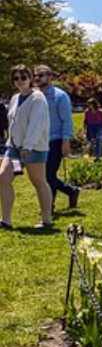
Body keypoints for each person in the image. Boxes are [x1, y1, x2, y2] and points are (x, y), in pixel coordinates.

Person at [1, 66, 53, 229]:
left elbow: (36, 125)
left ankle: (46, 219)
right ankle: (6, 220)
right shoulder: (15, 98)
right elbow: (13, 122)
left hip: (34, 147)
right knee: (2, 178)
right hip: (14, 147)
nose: (19, 81)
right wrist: (10, 143)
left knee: (38, 181)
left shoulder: (38, 98)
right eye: (16, 78)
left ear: (30, 78)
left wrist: (28, 146)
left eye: (23, 77)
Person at [33, 65, 79, 210]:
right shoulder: (34, 96)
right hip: (38, 141)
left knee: (48, 175)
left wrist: (66, 141)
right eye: (36, 75)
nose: (37, 78)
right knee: (43, 176)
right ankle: (71, 191)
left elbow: (67, 120)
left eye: (41, 75)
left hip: (55, 140)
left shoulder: (60, 96)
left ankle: (49, 206)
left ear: (50, 77)